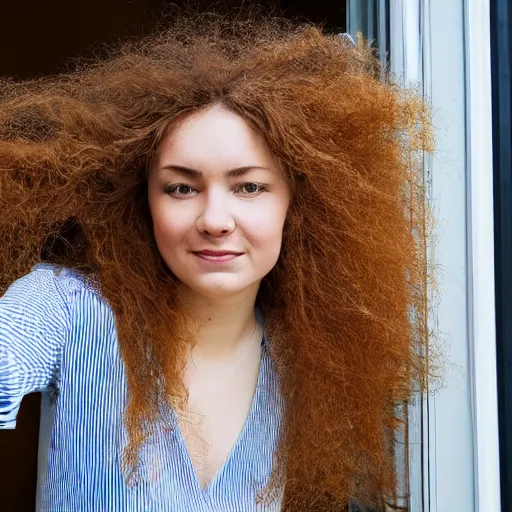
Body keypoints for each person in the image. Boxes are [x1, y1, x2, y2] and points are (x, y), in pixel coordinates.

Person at [0, 11, 431, 512]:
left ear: (300, 205)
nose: (215, 219)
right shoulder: (64, 308)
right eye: (182, 187)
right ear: (142, 201)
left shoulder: (310, 363)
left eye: (249, 186)